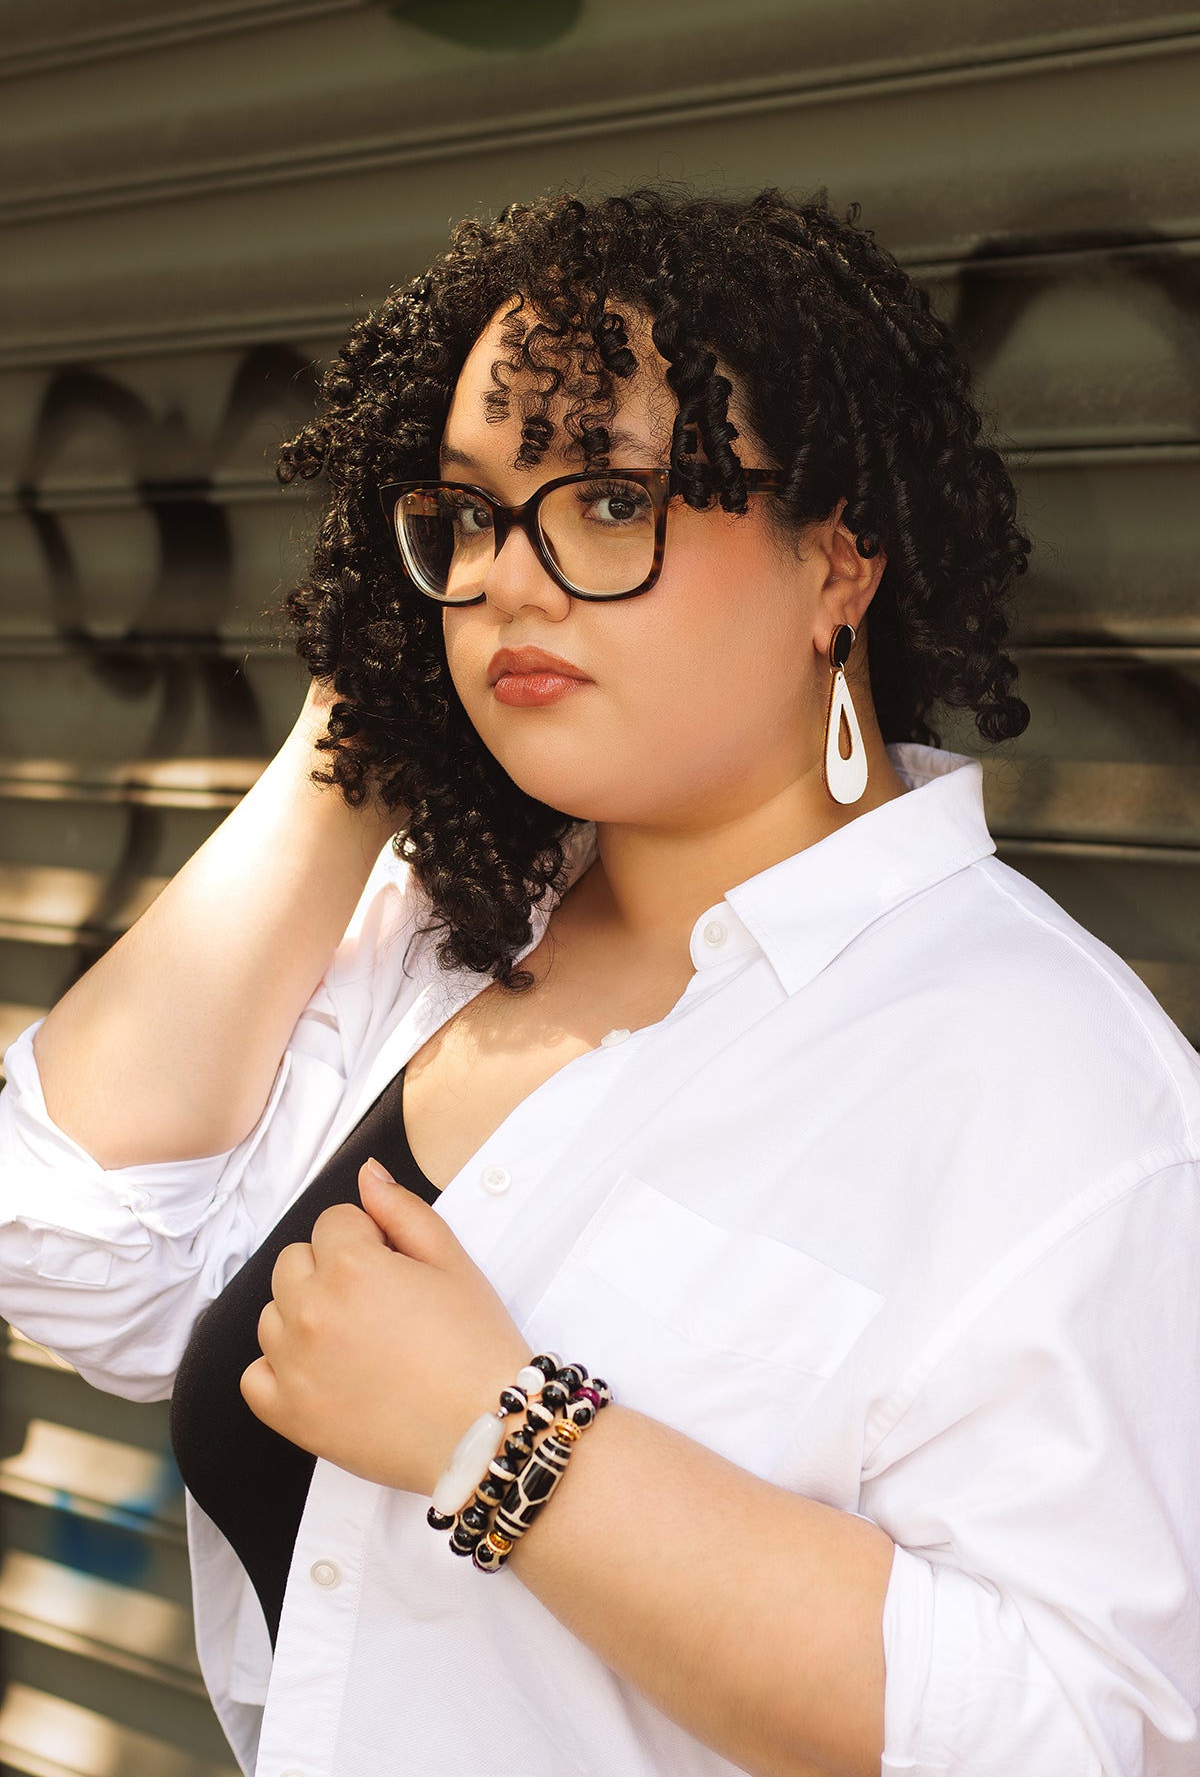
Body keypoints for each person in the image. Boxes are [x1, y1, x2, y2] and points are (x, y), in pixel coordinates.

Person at [0, 184, 1196, 1777]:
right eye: (472, 513)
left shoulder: (1054, 1082)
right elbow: (70, 1244)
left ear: (839, 560)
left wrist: (509, 1443)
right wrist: (365, 733)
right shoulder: (445, 931)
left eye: (613, 502)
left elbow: (1091, 1733)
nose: (510, 575)